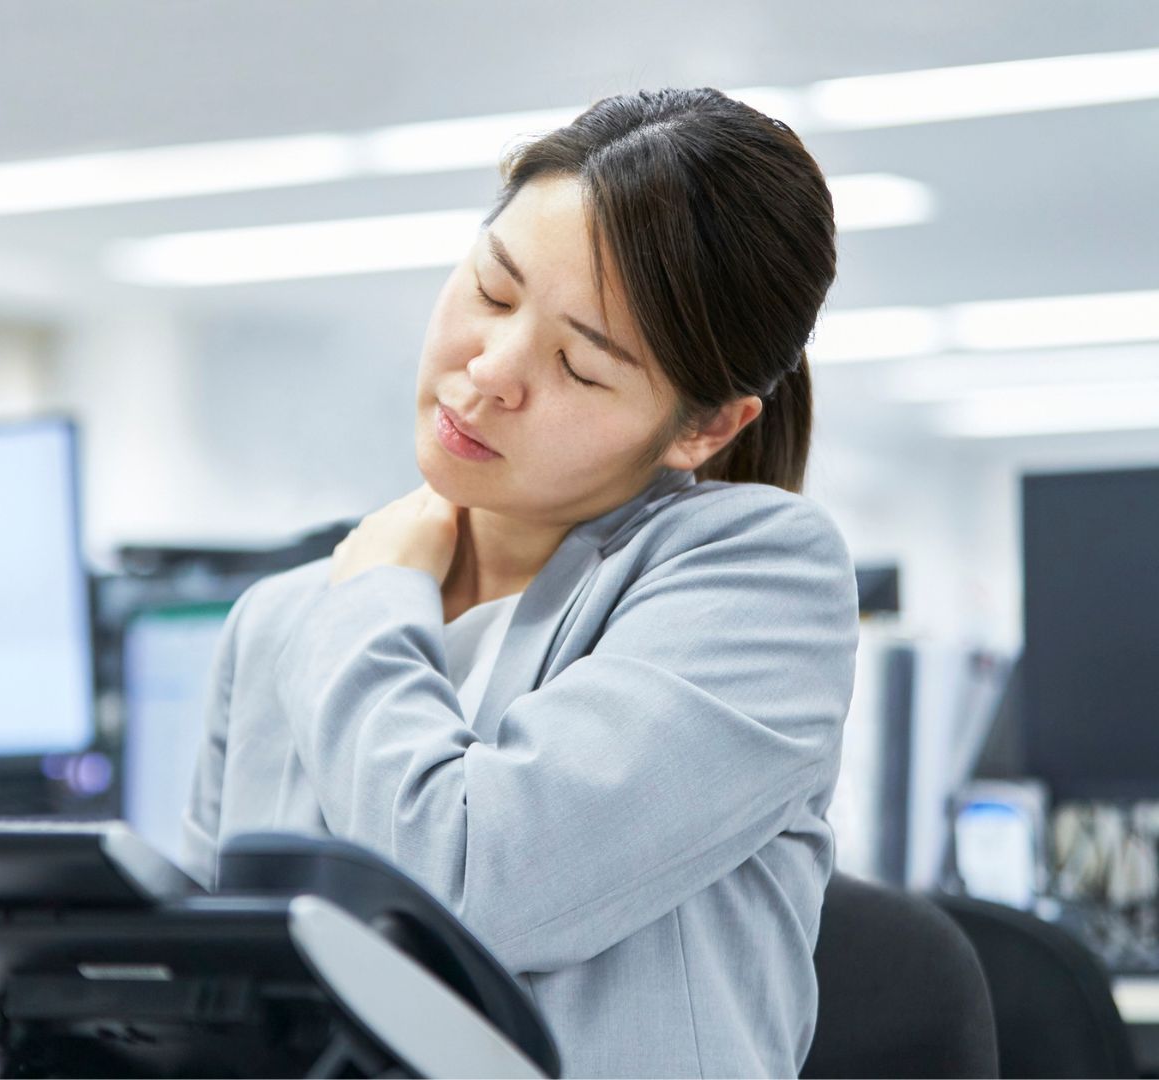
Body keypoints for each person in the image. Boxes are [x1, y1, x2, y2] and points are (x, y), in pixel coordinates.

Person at [180, 87, 857, 1078]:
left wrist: (374, 599)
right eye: (493, 291)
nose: (493, 369)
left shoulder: (761, 580)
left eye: (582, 366)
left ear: (703, 428)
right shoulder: (279, 623)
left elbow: (463, 888)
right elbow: (204, 998)